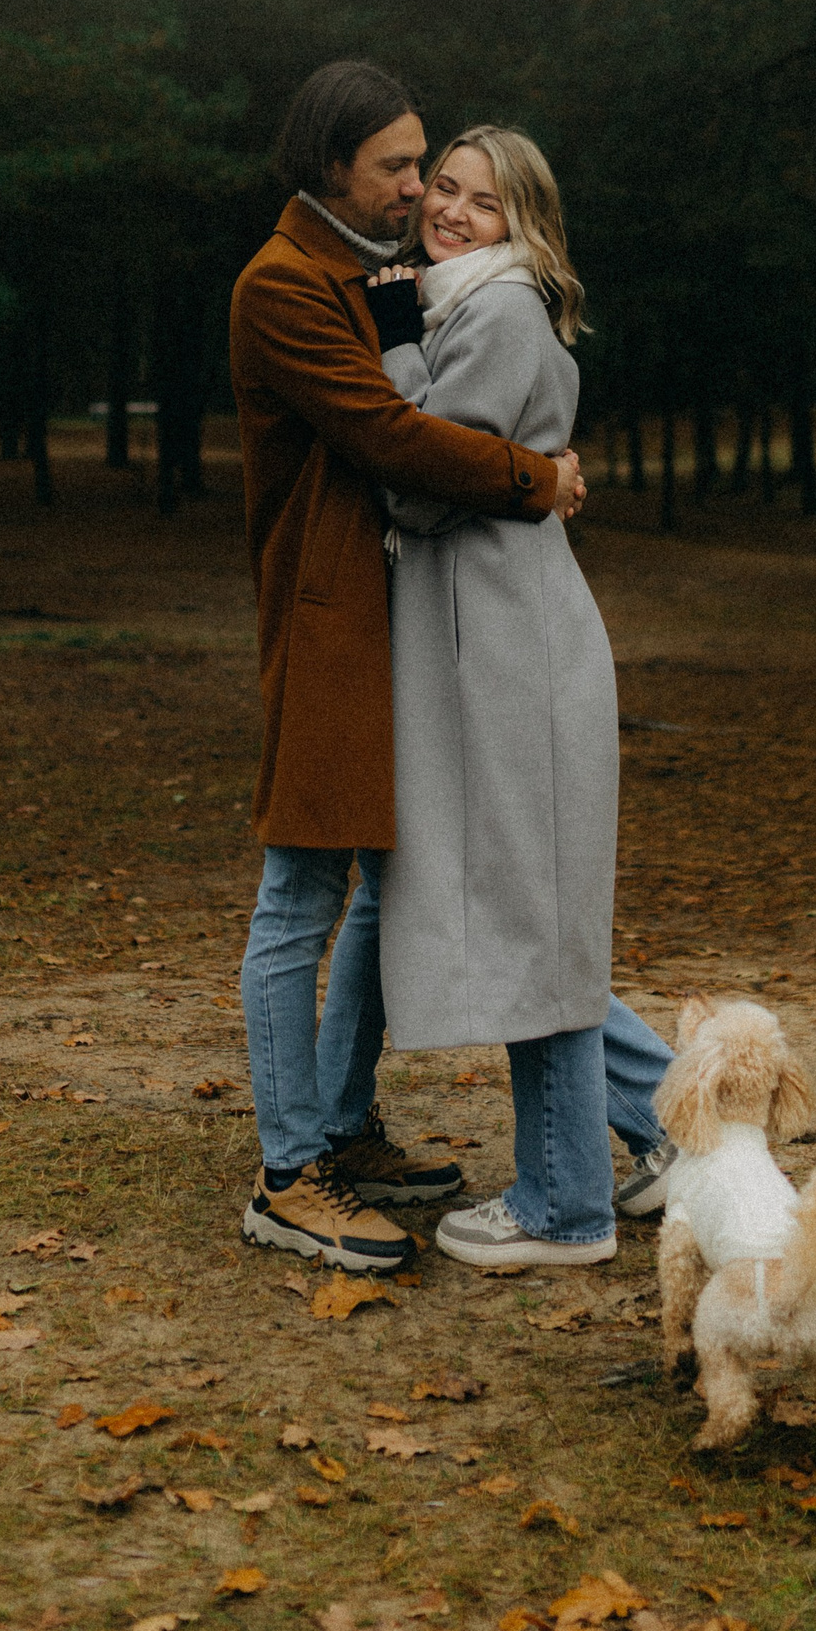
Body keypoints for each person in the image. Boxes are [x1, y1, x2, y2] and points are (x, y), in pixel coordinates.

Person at [229, 62, 587, 1274]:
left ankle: (341, 1126)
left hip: (400, 624)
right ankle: (289, 1176)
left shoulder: (377, 273)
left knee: (388, 890)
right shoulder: (284, 285)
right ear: (331, 166)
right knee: (299, 895)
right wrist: (537, 477)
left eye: (422, 163)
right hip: (329, 625)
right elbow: (390, 435)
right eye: (394, 166)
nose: (416, 187)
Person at [337, 126, 677, 1267]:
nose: (452, 210)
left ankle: (563, 1206)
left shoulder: (493, 311)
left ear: (524, 225)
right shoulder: (471, 305)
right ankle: (678, 1127)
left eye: (484, 202)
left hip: (511, 655)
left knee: (535, 928)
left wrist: (392, 342)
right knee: (539, 921)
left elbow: (424, 482)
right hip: (498, 643)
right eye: (444, 187)